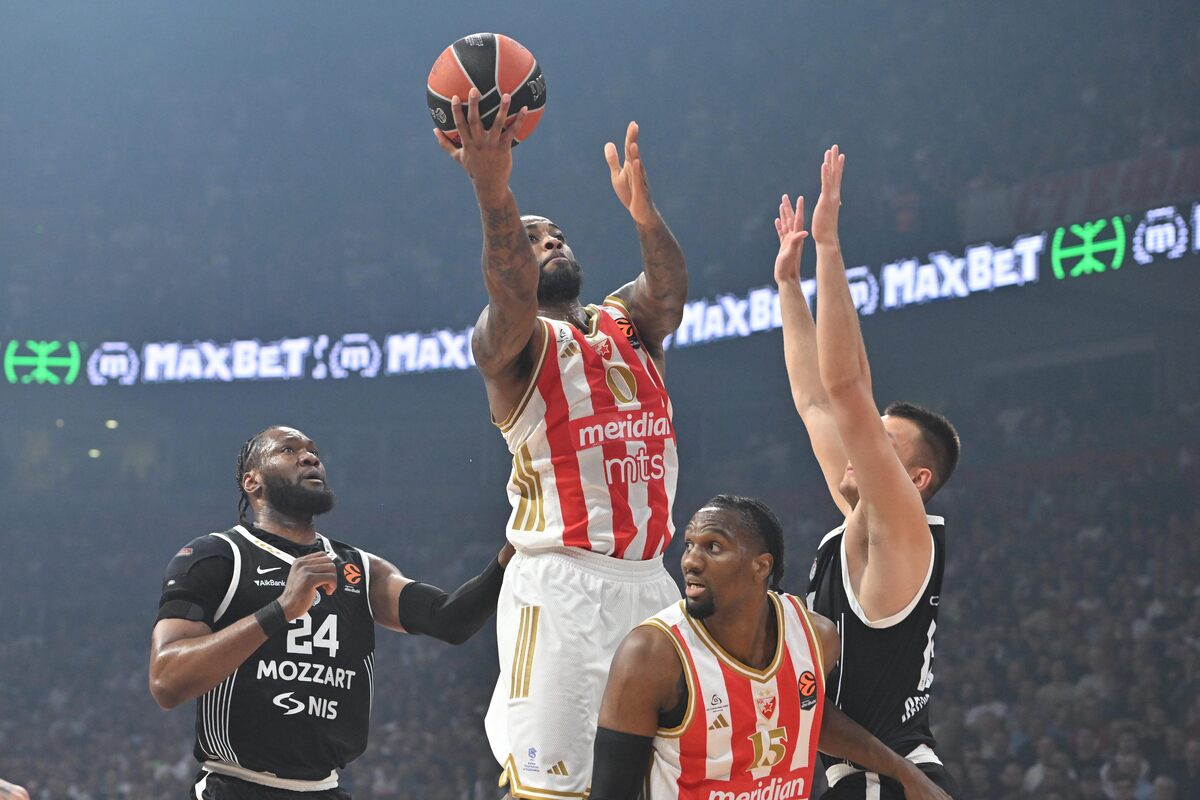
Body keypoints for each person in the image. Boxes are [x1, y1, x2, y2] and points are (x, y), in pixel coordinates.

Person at [434, 89, 688, 798]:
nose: (551, 243)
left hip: (651, 579)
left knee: (660, 785)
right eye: (534, 237)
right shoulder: (509, 346)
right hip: (560, 585)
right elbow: (511, 292)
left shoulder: (626, 323)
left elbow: (668, 294)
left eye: (559, 235)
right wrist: (494, 191)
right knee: (552, 789)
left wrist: (644, 215)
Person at [149, 425, 513, 798]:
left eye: (313, 451)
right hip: (236, 787)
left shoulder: (361, 567)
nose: (310, 457)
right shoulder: (216, 557)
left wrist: (515, 550)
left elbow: (450, 619)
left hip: (326, 789)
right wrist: (281, 610)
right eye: (288, 451)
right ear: (252, 482)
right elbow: (166, 681)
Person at [773, 146, 962, 797]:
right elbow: (815, 401)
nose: (861, 447)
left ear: (915, 481)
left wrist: (828, 248)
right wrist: (789, 288)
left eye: (882, 445)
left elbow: (847, 388)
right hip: (859, 774)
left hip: (889, 779)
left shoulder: (904, 533)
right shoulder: (862, 523)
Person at [591, 496, 951, 800]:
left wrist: (907, 773)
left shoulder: (815, 636)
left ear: (761, 566)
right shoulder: (652, 655)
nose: (690, 561)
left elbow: (810, 715)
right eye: (689, 545)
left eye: (712, 547)